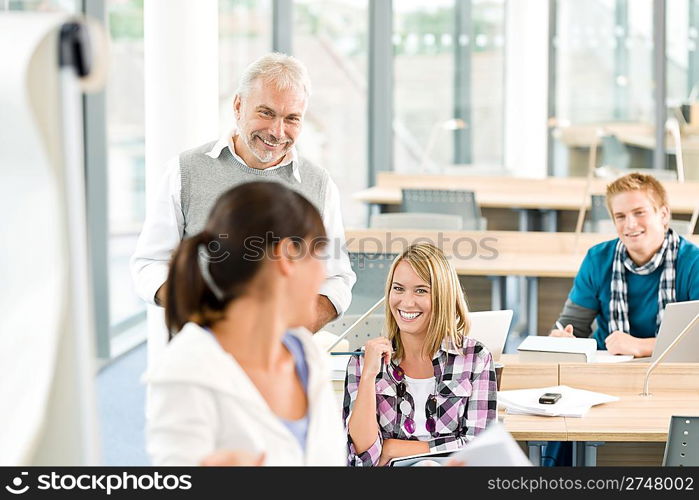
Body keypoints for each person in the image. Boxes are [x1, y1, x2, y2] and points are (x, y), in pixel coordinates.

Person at [130, 52, 355, 339]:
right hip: (201, 350)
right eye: (266, 113)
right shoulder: (184, 172)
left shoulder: (319, 185)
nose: (277, 131)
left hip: (281, 357)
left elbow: (336, 278)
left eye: (291, 119)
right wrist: (198, 317)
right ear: (238, 105)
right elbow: (149, 264)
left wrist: (290, 332)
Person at [145, 182, 346, 466]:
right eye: (320, 256)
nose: (323, 274)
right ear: (287, 257)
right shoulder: (187, 371)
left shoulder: (307, 356)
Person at [342, 243, 497, 467]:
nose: (406, 302)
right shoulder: (363, 360)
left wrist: (394, 448)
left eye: (421, 290)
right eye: (398, 288)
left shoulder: (475, 357)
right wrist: (368, 377)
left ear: (442, 296)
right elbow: (362, 458)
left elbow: (480, 451)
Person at [550, 172, 699, 357]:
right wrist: (561, 339)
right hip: (607, 369)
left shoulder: (694, 262)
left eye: (639, 212)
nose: (630, 224)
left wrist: (641, 346)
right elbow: (572, 326)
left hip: (672, 372)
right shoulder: (597, 259)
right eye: (620, 216)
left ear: (663, 214)